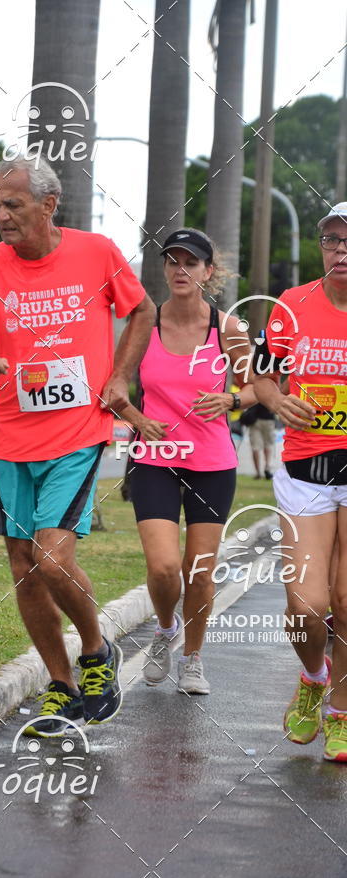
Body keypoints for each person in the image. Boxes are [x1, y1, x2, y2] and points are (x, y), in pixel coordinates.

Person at [0, 156, 154, 737]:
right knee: (23, 567)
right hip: (11, 437)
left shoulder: (97, 253)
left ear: (48, 204)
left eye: (13, 204)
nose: (2, 215)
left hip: (77, 434)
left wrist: (120, 376)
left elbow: (142, 310)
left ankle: (96, 649)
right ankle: (61, 686)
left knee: (51, 557)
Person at [121, 228, 255, 694]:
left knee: (198, 569)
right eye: (172, 261)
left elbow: (258, 388)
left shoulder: (228, 329)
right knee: (163, 567)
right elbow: (111, 387)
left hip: (212, 462)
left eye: (191, 262)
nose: (181, 270)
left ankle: (192, 658)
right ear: (164, 269)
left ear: (207, 271)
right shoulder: (144, 324)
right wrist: (138, 419)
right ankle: (165, 629)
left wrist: (231, 400)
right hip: (155, 458)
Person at [253, 201, 347, 763]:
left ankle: (341, 710)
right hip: (307, 468)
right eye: (332, 240)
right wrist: (278, 401)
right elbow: (262, 375)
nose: (342, 250)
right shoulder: (292, 305)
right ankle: (314, 675)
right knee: (308, 605)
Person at [243, 400, 276, 479]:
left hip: (255, 418)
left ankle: (258, 473)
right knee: (267, 445)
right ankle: (267, 468)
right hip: (268, 418)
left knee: (255, 447)